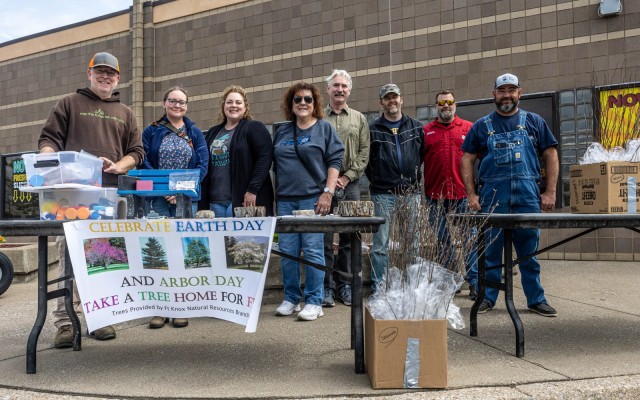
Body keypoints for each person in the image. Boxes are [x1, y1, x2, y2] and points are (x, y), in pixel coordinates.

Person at [38, 52, 145, 347]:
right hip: (69, 196)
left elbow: (136, 152)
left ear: (118, 78)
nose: (105, 76)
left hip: (107, 198)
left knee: (101, 259)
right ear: (89, 73)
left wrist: (118, 166)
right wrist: (46, 159)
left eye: (111, 73)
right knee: (69, 259)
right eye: (100, 71)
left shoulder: (126, 112)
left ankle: (98, 318)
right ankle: (64, 323)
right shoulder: (69, 103)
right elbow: (49, 139)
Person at [460, 73, 559, 317]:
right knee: (490, 253)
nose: (507, 95)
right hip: (494, 197)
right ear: (494, 94)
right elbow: (467, 158)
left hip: (527, 197)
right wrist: (471, 194)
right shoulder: (482, 126)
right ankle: (487, 298)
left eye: (511, 90)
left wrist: (550, 191)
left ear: (519, 93)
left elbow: (551, 154)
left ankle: (536, 299)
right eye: (502, 90)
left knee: (529, 254)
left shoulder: (534, 121)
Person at [272, 82, 344, 321]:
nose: (302, 103)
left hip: (313, 199)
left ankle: (314, 300)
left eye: (308, 99)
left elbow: (335, 161)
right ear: (290, 105)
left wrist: (328, 192)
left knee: (313, 250)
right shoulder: (282, 131)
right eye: (297, 100)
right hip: (285, 199)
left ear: (315, 104)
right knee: (288, 251)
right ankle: (291, 297)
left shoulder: (324, 129)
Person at [141, 85, 208, 329]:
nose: (177, 105)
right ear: (164, 104)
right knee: (158, 250)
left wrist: (179, 189)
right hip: (158, 198)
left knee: (183, 250)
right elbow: (145, 160)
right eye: (173, 101)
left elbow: (203, 164)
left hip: (186, 197)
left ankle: (181, 306)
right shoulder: (151, 131)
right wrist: (164, 189)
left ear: (187, 106)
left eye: (181, 102)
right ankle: (160, 308)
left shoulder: (195, 132)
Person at [365, 84, 424, 293]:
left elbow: (422, 155)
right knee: (381, 246)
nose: (392, 101)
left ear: (402, 99)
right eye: (387, 98)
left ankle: (412, 286)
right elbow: (367, 162)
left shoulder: (416, 126)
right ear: (381, 102)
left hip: (411, 193)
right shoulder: (372, 129)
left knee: (412, 244)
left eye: (395, 97)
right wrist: (381, 179)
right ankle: (379, 287)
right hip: (382, 193)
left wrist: (413, 179)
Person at [423, 90, 478, 300]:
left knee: (470, 240)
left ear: (456, 104)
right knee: (443, 242)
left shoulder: (468, 128)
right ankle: (452, 282)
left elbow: (480, 159)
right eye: (441, 103)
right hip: (435, 197)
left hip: (463, 195)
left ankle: (474, 282)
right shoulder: (426, 132)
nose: (446, 106)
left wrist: (477, 192)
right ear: (436, 106)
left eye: (450, 102)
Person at [321, 70, 370, 307]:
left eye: (344, 86)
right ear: (328, 89)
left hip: (351, 186)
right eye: (335, 85)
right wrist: (330, 181)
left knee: (351, 238)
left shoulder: (359, 118)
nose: (340, 89)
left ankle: (346, 286)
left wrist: (347, 177)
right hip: (324, 186)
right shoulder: (318, 117)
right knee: (325, 238)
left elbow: (364, 151)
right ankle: (326, 288)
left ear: (349, 90)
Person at [199, 85, 274, 217]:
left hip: (243, 201)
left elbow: (264, 159)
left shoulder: (255, 128)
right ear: (223, 106)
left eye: (238, 102)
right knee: (218, 238)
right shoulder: (212, 132)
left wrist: (252, 190)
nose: (233, 105)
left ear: (245, 108)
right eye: (229, 102)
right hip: (214, 203)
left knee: (241, 238)